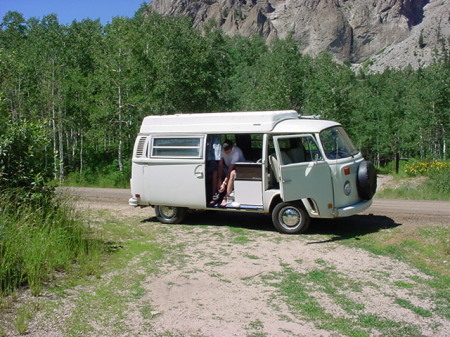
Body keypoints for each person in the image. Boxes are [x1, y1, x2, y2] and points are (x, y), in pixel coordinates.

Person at [210, 139, 245, 207]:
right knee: (215, 172)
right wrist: (220, 180)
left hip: (238, 168)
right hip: (226, 166)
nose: (226, 152)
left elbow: (230, 169)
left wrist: (224, 183)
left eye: (228, 151)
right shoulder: (221, 150)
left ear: (232, 148)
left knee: (232, 173)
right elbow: (220, 165)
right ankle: (215, 196)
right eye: (224, 151)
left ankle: (226, 198)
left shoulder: (236, 152)